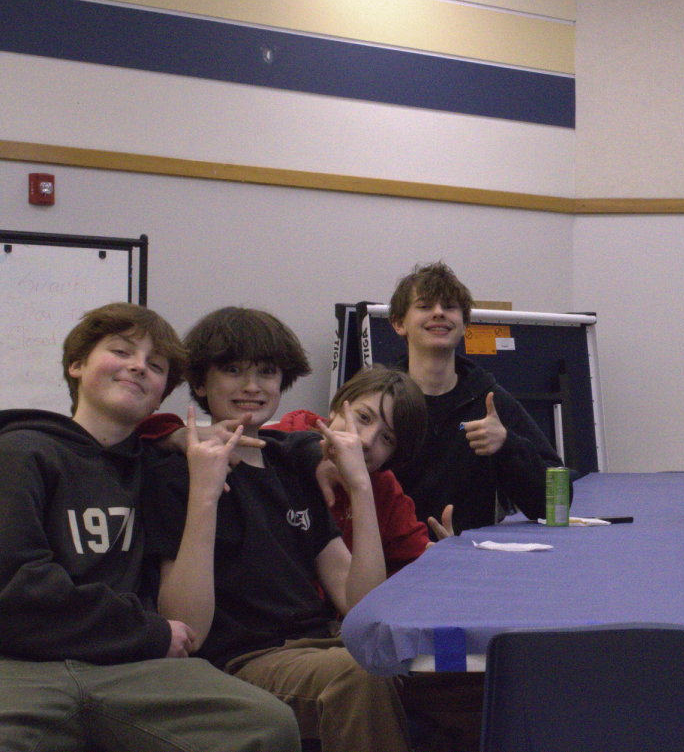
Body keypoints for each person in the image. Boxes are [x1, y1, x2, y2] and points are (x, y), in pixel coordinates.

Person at [0, 302, 299, 751]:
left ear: (162, 394)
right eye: (121, 352)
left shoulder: (159, 466)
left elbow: (293, 431)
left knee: (267, 725)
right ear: (77, 365)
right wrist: (152, 632)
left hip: (134, 670)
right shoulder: (23, 452)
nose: (138, 367)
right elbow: (20, 591)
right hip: (23, 665)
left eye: (156, 366)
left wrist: (318, 452)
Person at [142, 307, 410, 752]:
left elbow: (358, 603)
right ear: (202, 383)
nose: (252, 386)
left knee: (445, 674)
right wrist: (205, 495)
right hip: (244, 661)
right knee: (360, 677)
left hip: (319, 645)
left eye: (266, 372)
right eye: (233, 370)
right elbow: (189, 628)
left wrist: (361, 489)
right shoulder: (175, 470)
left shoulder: (292, 462)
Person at [386, 261, 564, 534]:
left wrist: (506, 444)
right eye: (424, 306)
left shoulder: (490, 400)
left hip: (471, 562)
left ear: (465, 323)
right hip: (392, 566)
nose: (438, 314)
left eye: (449, 307)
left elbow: (556, 501)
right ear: (399, 323)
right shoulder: (379, 400)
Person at [266, 365, 432, 574]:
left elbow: (414, 557)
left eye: (387, 438)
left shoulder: (382, 486)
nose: (365, 440)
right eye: (363, 417)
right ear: (335, 408)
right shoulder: (269, 451)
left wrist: (447, 559)